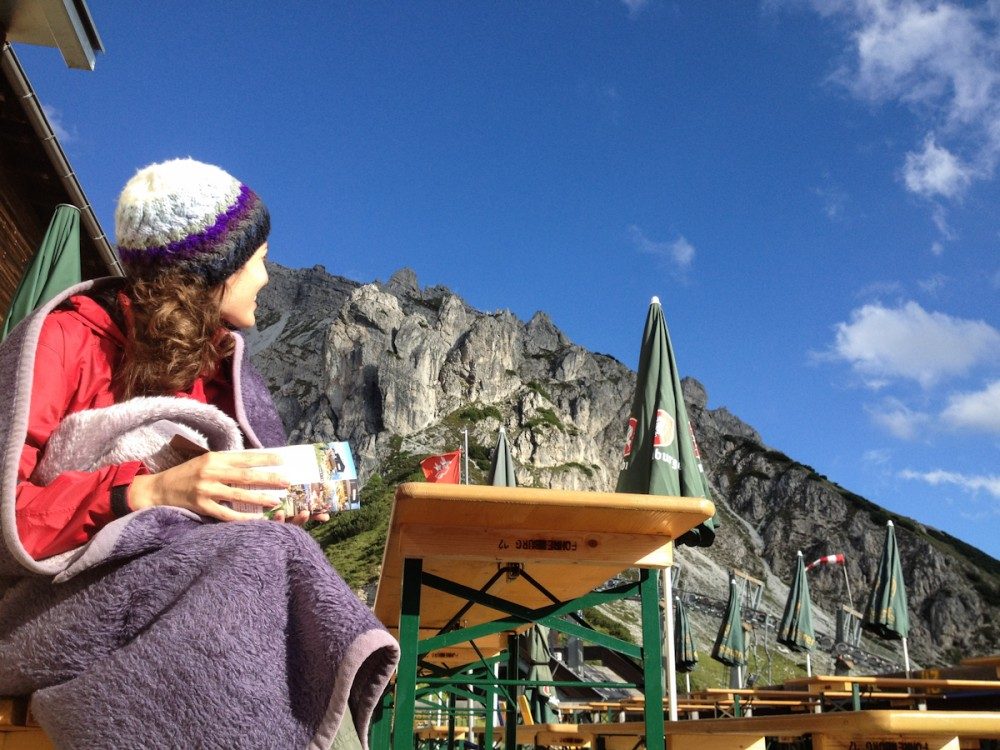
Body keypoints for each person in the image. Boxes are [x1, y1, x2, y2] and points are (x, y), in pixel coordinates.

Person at [0, 159, 398, 749]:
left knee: (275, 551)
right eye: (258, 260)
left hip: (180, 589)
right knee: (268, 557)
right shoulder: (65, 341)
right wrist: (148, 490)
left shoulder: (220, 373)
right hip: (43, 608)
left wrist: (256, 502)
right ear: (213, 271)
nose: (266, 277)